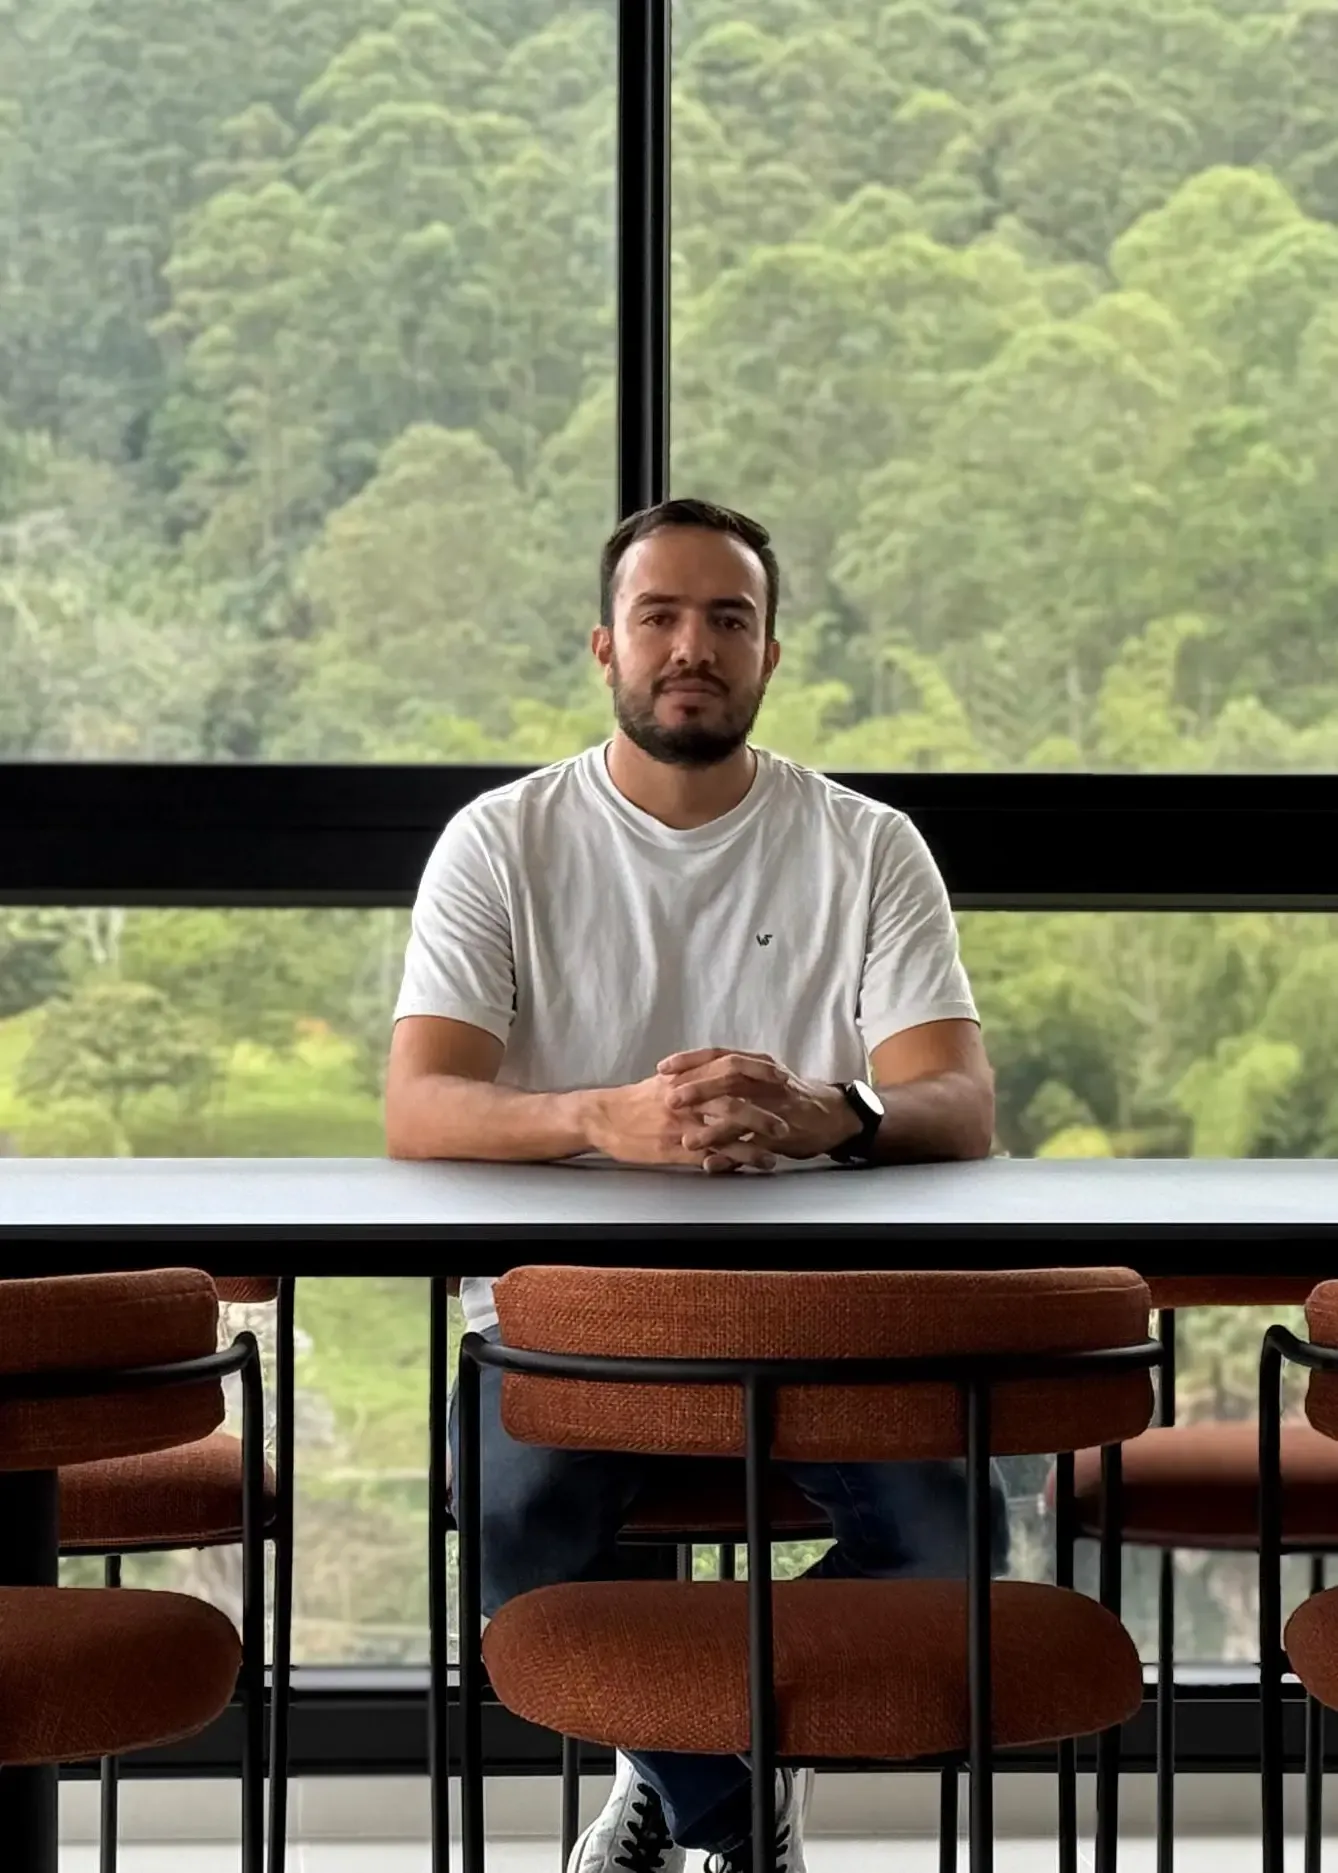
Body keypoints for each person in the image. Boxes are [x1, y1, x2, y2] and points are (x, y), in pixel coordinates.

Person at [385, 497, 1004, 1873]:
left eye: (727, 619)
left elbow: (959, 1106)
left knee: (956, 1548)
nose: (691, 645)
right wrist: (606, 1116)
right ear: (603, 644)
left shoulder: (865, 844)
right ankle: (729, 1805)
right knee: (511, 1556)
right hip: (571, 1314)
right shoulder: (501, 840)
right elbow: (419, 1106)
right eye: (659, 615)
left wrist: (824, 1114)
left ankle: (684, 1772)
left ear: (770, 653)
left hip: (820, 1315)